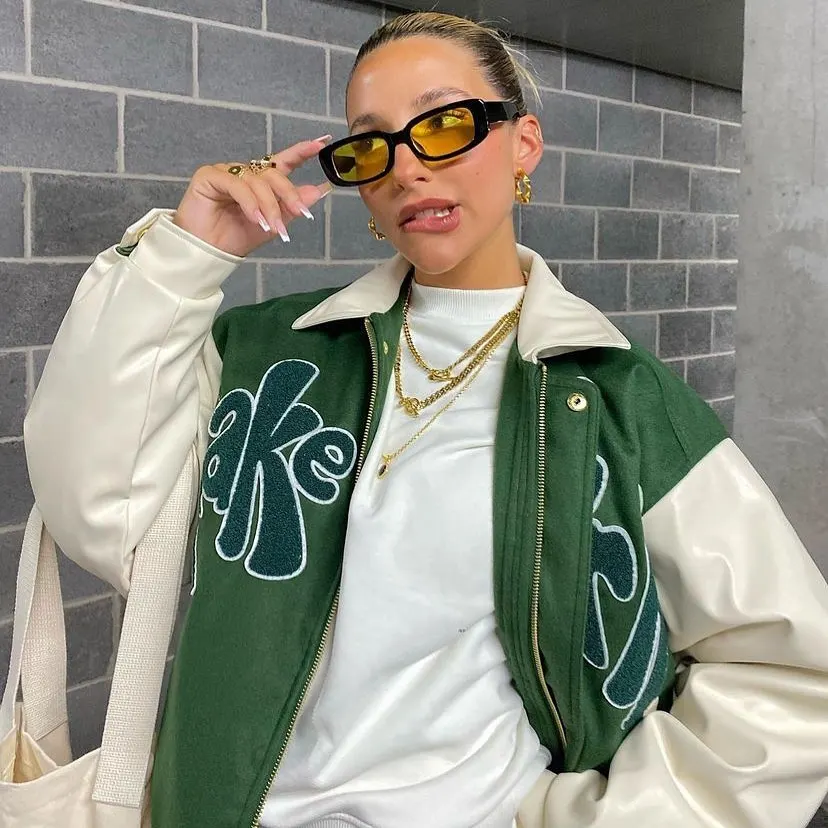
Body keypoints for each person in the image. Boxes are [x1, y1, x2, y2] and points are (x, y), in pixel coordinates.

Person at [23, 10, 828, 828]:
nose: (407, 167)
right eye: (371, 146)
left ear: (523, 144)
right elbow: (97, 509)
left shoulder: (616, 396)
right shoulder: (269, 353)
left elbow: (792, 677)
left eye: (444, 125)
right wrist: (189, 255)